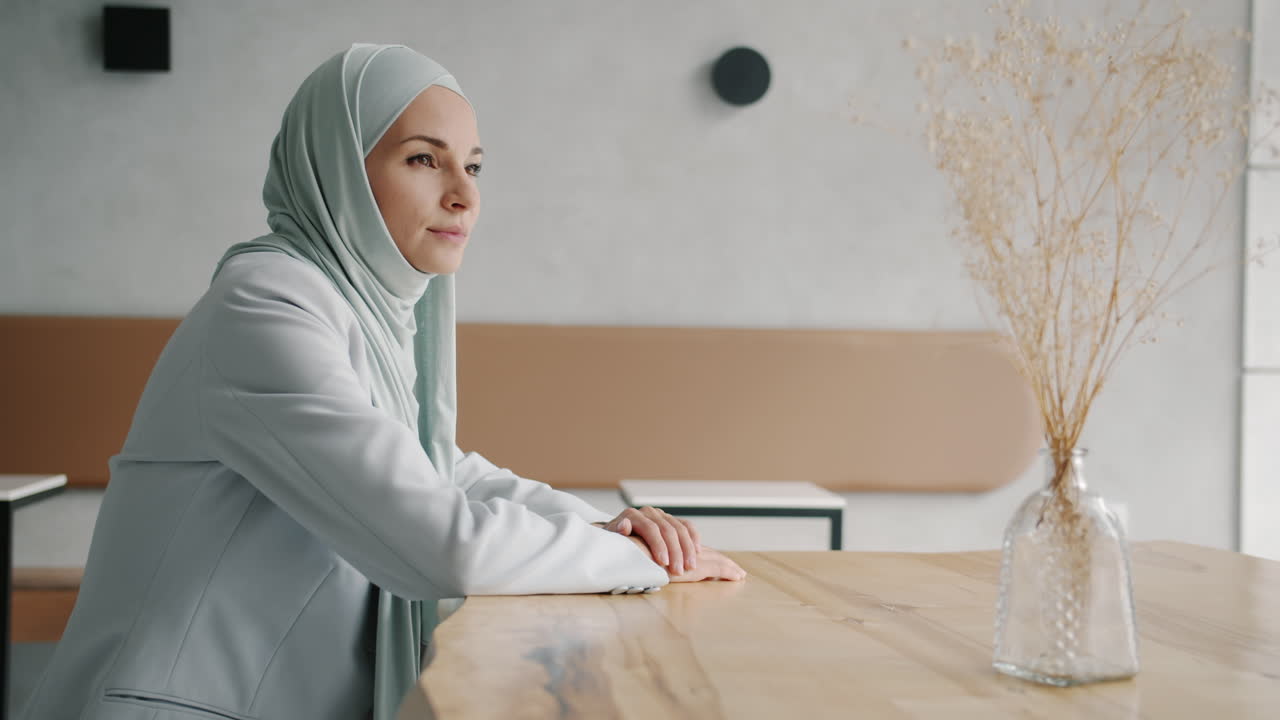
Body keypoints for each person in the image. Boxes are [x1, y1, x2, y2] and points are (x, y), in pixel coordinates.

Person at [21, 44, 745, 720]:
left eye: (475, 166)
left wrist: (596, 525)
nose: (464, 195)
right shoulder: (264, 304)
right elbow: (439, 543)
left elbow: (438, 471)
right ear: (337, 167)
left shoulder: (365, 309)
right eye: (425, 160)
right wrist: (633, 561)